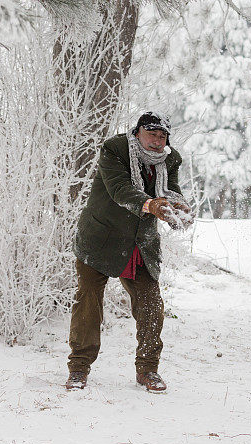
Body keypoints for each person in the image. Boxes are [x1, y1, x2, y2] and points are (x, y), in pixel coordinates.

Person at [66, 112, 192, 392]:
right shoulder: (115, 150)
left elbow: (171, 190)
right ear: (137, 132)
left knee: (151, 306)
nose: (157, 142)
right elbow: (119, 189)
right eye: (152, 134)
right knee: (88, 304)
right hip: (100, 239)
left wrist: (178, 206)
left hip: (140, 243)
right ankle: (78, 368)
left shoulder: (170, 160)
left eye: (162, 136)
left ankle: (148, 370)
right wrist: (151, 205)